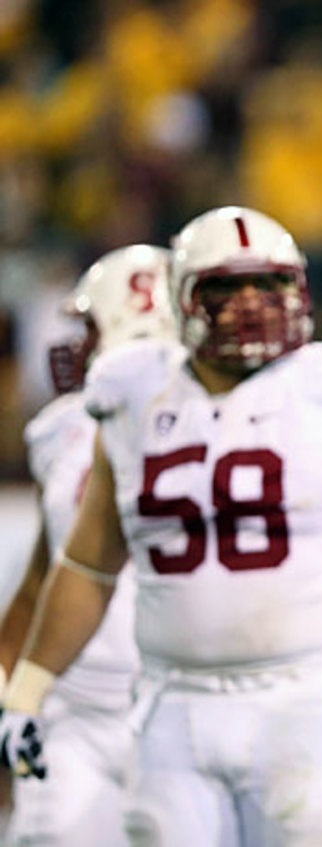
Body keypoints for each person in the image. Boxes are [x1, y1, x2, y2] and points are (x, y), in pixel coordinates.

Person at [0, 206, 322, 846]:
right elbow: (86, 568)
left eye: (267, 284)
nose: (250, 303)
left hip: (309, 698)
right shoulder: (133, 395)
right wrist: (27, 694)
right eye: (225, 286)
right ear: (181, 300)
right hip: (172, 708)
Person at [0, 244, 176, 845]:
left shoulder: (221, 419)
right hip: (74, 717)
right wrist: (16, 700)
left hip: (182, 709)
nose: (78, 345)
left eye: (90, 327)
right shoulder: (61, 430)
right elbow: (42, 583)